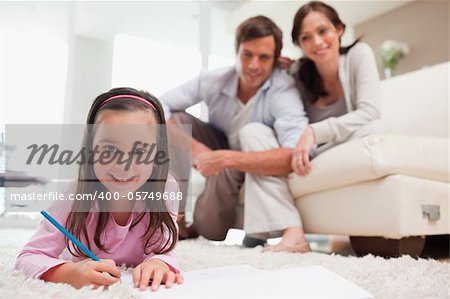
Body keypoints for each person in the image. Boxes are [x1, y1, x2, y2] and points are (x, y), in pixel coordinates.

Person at [160, 16, 308, 247]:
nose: (253, 66)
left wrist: (226, 159)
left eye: (264, 57)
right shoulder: (214, 79)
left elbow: (292, 154)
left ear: (276, 59)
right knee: (174, 120)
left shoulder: (283, 91)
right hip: (218, 143)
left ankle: (203, 226)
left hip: (253, 159)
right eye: (247, 54)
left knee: (210, 230)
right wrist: (197, 150)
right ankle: (172, 222)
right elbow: (157, 106)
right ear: (237, 51)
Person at [15, 87, 184, 290]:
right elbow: (29, 257)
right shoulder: (73, 195)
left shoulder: (165, 189)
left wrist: (159, 263)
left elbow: (164, 249)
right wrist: (70, 273)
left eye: (139, 150)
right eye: (110, 149)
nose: (124, 164)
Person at [252, 1, 386, 251]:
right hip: (312, 156)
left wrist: (314, 131)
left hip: (347, 145)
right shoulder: (298, 73)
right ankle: (286, 230)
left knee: (376, 131)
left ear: (339, 29)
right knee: (256, 135)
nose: (317, 42)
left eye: (323, 31)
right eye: (306, 37)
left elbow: (370, 112)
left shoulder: (359, 54)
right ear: (300, 44)